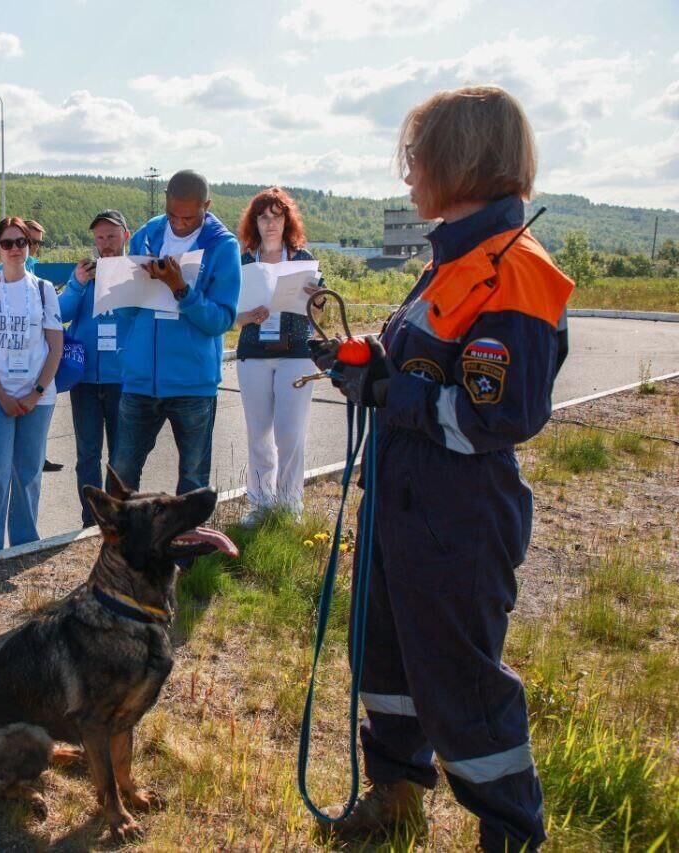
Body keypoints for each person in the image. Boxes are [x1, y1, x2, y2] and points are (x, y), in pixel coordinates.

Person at [313, 85, 572, 853]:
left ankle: (511, 835)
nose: (407, 175)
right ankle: (396, 800)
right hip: (400, 503)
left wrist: (395, 395)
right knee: (386, 661)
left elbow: (501, 415)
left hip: (456, 515)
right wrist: (366, 367)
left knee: (460, 685)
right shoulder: (453, 259)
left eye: (415, 157)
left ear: (459, 160)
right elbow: (426, 368)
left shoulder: (515, 269)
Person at [111, 170, 240, 497]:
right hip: (139, 379)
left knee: (192, 481)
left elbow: (221, 320)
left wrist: (181, 289)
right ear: (165, 199)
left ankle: (188, 548)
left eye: (189, 217)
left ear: (206, 205)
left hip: (192, 385)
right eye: (173, 215)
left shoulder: (222, 247)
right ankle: (123, 547)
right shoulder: (147, 234)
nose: (179, 223)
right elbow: (128, 312)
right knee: (120, 475)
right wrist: (126, 288)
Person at [0, 217, 63, 555]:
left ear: (29, 246)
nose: (15, 249)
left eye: (21, 242)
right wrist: (3, 396)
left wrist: (36, 393)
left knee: (28, 471)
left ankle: (24, 544)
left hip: (38, 396)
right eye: (7, 243)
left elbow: (56, 347)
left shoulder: (44, 289)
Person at [234, 188, 323, 524]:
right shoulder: (243, 262)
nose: (270, 223)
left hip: (297, 352)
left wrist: (317, 298)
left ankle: (289, 505)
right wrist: (247, 317)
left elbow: (321, 312)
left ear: (287, 221)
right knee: (258, 433)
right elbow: (231, 315)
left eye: (276, 216)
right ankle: (261, 503)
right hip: (253, 353)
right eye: (263, 216)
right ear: (254, 222)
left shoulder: (303, 259)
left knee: (290, 433)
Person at [60, 209, 130, 527]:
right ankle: (91, 520)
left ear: (125, 236)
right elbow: (59, 312)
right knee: (88, 456)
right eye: (100, 237)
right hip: (85, 381)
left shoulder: (137, 274)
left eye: (111, 236)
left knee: (122, 457)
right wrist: (76, 284)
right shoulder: (85, 275)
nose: (105, 243)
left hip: (123, 380)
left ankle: (119, 519)